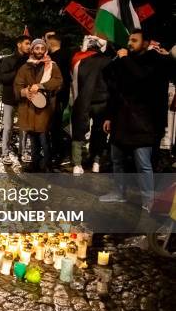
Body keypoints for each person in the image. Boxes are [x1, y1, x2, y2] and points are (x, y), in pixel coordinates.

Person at [100, 29, 176, 209]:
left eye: (134, 40)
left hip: (143, 122)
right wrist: (109, 116)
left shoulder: (156, 60)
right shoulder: (126, 60)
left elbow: (142, 78)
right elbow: (111, 83)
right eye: (129, 40)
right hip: (121, 120)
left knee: (143, 164)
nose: (129, 43)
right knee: (116, 159)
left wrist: (125, 59)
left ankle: (149, 200)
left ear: (146, 43)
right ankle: (119, 193)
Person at [14, 38, 63, 172]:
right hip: (29, 108)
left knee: (44, 138)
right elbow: (18, 84)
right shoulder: (25, 67)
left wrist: (41, 86)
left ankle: (47, 165)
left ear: (45, 50)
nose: (40, 51)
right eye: (37, 48)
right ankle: (35, 163)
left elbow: (58, 81)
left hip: (45, 109)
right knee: (33, 138)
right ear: (32, 50)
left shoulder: (51, 65)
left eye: (42, 48)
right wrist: (24, 92)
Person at [70, 36, 110, 175]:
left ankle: (77, 164)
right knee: (100, 132)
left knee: (79, 131)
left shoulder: (79, 61)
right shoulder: (108, 61)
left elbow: (74, 82)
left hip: (83, 100)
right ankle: (96, 162)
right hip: (102, 101)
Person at [0, 35, 31, 165]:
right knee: (8, 127)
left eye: (29, 44)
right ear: (19, 44)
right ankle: (5, 153)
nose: (29, 46)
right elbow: (1, 78)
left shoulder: (30, 61)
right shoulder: (8, 60)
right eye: (27, 43)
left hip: (24, 98)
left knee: (24, 126)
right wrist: (16, 73)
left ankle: (22, 152)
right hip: (10, 97)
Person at [45, 32, 72, 164]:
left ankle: (59, 152)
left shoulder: (63, 56)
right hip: (52, 95)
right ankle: (54, 150)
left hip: (59, 95)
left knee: (56, 125)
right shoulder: (60, 55)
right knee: (52, 124)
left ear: (51, 43)